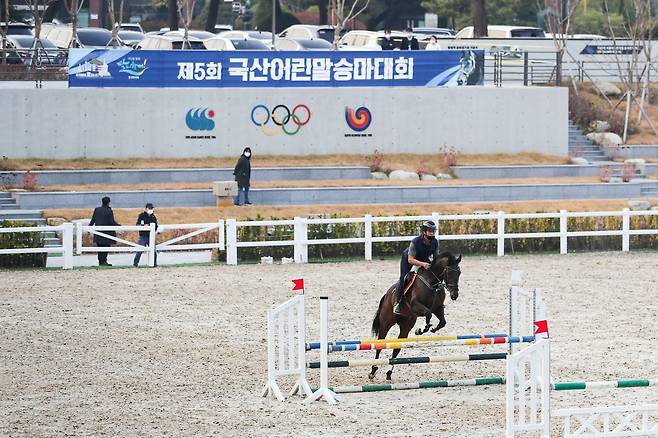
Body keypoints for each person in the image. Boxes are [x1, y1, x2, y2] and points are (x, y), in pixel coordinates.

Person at [394, 220, 440, 315]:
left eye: (433, 231)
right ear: (424, 232)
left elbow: (436, 258)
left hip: (423, 258)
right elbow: (410, 260)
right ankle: (398, 303)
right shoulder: (415, 242)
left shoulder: (435, 242)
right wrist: (423, 264)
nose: (432, 233)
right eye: (430, 231)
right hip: (409, 258)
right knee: (403, 278)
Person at [89, 196, 120, 266]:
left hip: (98, 233)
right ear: (109, 202)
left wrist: (89, 228)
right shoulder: (109, 211)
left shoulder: (97, 209)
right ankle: (104, 262)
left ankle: (101, 262)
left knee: (100, 248)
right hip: (107, 233)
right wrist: (118, 225)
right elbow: (111, 222)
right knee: (105, 247)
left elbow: (93, 220)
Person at [133, 203, 158, 267]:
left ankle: (154, 264)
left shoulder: (153, 216)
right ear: (146, 209)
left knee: (154, 251)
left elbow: (156, 226)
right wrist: (144, 226)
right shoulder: (141, 215)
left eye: (152, 208)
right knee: (140, 250)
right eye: (150, 208)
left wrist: (155, 230)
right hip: (143, 236)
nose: (151, 209)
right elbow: (137, 225)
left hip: (151, 236)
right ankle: (135, 263)